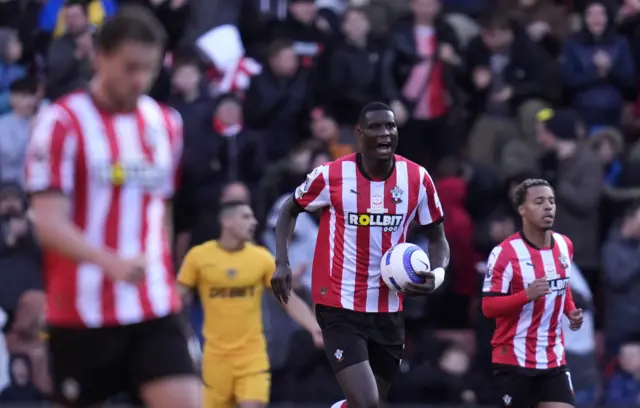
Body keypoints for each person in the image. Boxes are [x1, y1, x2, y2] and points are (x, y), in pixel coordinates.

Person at [24, 7, 199, 408]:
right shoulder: (62, 123)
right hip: (81, 312)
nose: (140, 79)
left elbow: (161, 209)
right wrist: (108, 262)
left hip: (153, 306)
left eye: (150, 69)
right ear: (100, 56)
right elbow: (47, 222)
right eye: (130, 67)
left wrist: (165, 271)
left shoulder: (165, 123)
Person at [271, 101, 451, 408]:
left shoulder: (417, 179)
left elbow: (438, 238)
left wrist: (437, 274)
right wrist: (282, 261)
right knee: (367, 401)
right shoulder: (331, 175)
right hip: (338, 305)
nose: (384, 133)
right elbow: (290, 209)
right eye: (376, 127)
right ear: (359, 134)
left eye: (390, 126)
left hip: (389, 306)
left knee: (373, 403)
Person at [177, 200, 322, 408]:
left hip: (252, 357)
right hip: (215, 359)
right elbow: (177, 297)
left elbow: (287, 298)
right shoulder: (199, 257)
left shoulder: (261, 258)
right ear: (227, 222)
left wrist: (313, 327)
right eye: (246, 217)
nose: (253, 222)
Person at [481, 178, 584, 408]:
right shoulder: (505, 253)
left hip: (553, 358)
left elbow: (562, 285)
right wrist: (526, 295)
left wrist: (570, 311)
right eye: (539, 202)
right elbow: (488, 307)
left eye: (551, 201)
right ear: (522, 209)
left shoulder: (564, 245)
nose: (548, 207)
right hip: (514, 360)